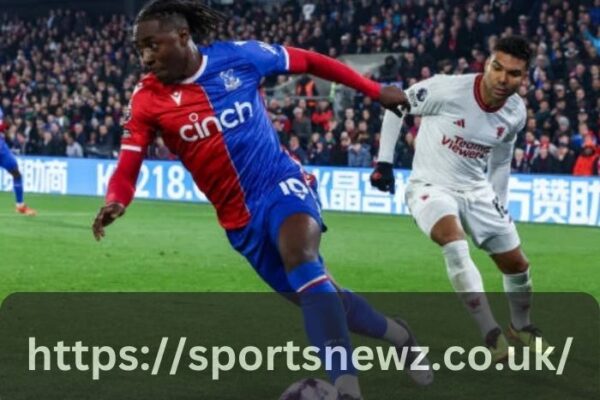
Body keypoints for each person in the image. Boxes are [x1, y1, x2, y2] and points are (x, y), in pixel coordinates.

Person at [91, 1, 430, 398]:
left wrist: (375, 91)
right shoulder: (146, 99)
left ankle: (346, 387)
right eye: (139, 49)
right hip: (239, 221)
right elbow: (128, 162)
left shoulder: (239, 58)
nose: (146, 57)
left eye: (152, 45)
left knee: (300, 256)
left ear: (183, 36)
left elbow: (309, 62)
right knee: (321, 297)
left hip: (280, 183)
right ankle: (399, 334)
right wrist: (117, 199)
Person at [370, 36, 548, 361]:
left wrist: (501, 203)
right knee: (454, 240)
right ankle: (490, 332)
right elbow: (396, 103)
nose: (503, 79)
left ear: (524, 78)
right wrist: (384, 162)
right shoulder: (447, 89)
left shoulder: (515, 112)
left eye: (514, 73)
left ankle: (520, 325)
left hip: (477, 190)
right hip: (431, 185)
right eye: (498, 68)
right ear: (487, 64)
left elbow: (501, 157)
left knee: (517, 265)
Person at [0, 107, 36, 216]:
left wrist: (7, 127)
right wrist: (6, 125)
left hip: (2, 147)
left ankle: (20, 205)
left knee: (16, 173)